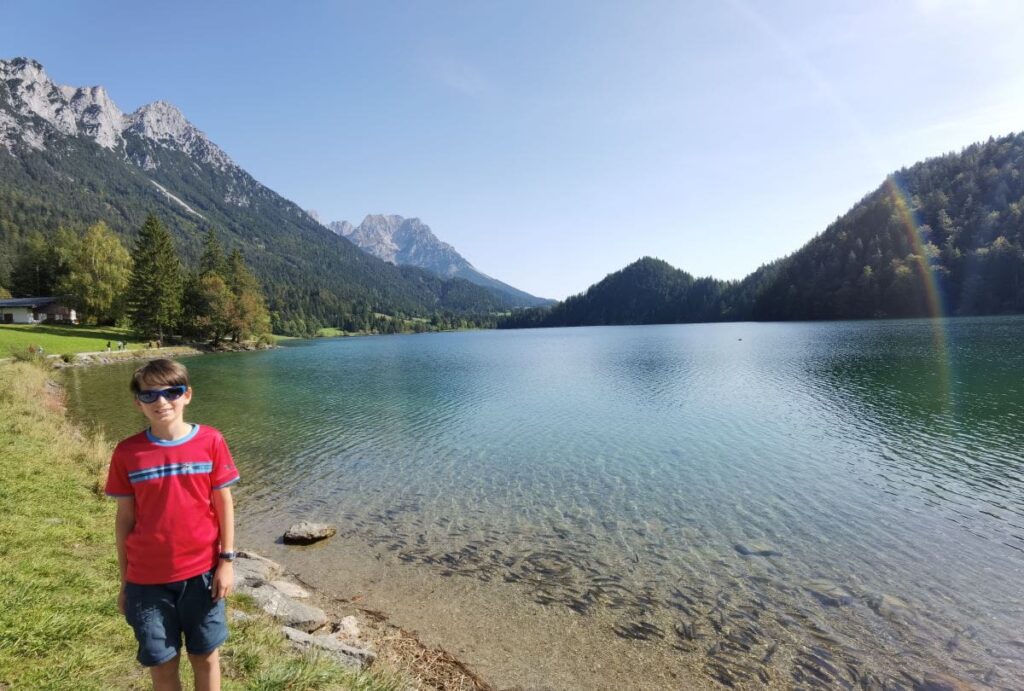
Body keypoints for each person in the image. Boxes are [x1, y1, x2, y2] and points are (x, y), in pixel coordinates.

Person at [104, 359, 240, 691]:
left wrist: (226, 561)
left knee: (205, 657)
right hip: (147, 583)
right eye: (149, 395)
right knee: (162, 664)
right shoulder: (128, 453)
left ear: (187, 395)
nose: (161, 402)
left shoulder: (210, 441)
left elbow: (223, 504)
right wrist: (125, 582)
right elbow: (125, 520)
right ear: (138, 402)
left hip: (202, 576)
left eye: (171, 392)